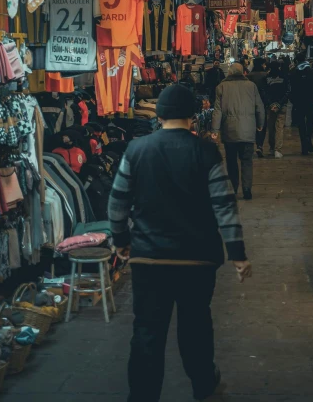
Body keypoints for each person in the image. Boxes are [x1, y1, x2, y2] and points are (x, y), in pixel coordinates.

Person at [108, 84, 252, 402]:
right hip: (196, 260)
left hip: (149, 259)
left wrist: (121, 240)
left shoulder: (136, 150)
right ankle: (203, 387)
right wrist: (238, 254)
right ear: (192, 116)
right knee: (196, 327)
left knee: (147, 333)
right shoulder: (206, 152)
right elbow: (225, 205)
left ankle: (143, 396)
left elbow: (117, 202)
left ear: (158, 115)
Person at [211, 62, 265, 200]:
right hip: (248, 130)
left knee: (231, 161)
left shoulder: (221, 87)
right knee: (247, 160)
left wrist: (215, 129)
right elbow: (259, 106)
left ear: (229, 72)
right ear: (243, 72)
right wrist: (260, 124)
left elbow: (217, 110)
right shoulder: (251, 86)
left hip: (230, 131)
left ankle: (233, 188)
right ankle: (247, 189)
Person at [290, 51, 313, 155]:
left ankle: (304, 145)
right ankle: (308, 137)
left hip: (298, 101)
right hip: (310, 100)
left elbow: (290, 88)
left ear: (296, 61)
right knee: (310, 121)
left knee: (301, 124)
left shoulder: (293, 72)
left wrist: (293, 100)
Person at [264, 61, 290, 158]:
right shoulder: (284, 77)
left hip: (270, 106)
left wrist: (271, 103)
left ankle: (271, 148)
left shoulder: (267, 78)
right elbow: (287, 91)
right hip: (281, 105)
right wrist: (279, 103)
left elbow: (265, 92)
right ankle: (277, 150)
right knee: (279, 128)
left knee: (271, 128)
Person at [247, 58, 268, 157]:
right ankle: (260, 145)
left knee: (251, 124)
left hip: (250, 103)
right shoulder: (265, 75)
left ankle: (251, 145)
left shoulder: (249, 76)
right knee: (262, 124)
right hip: (262, 103)